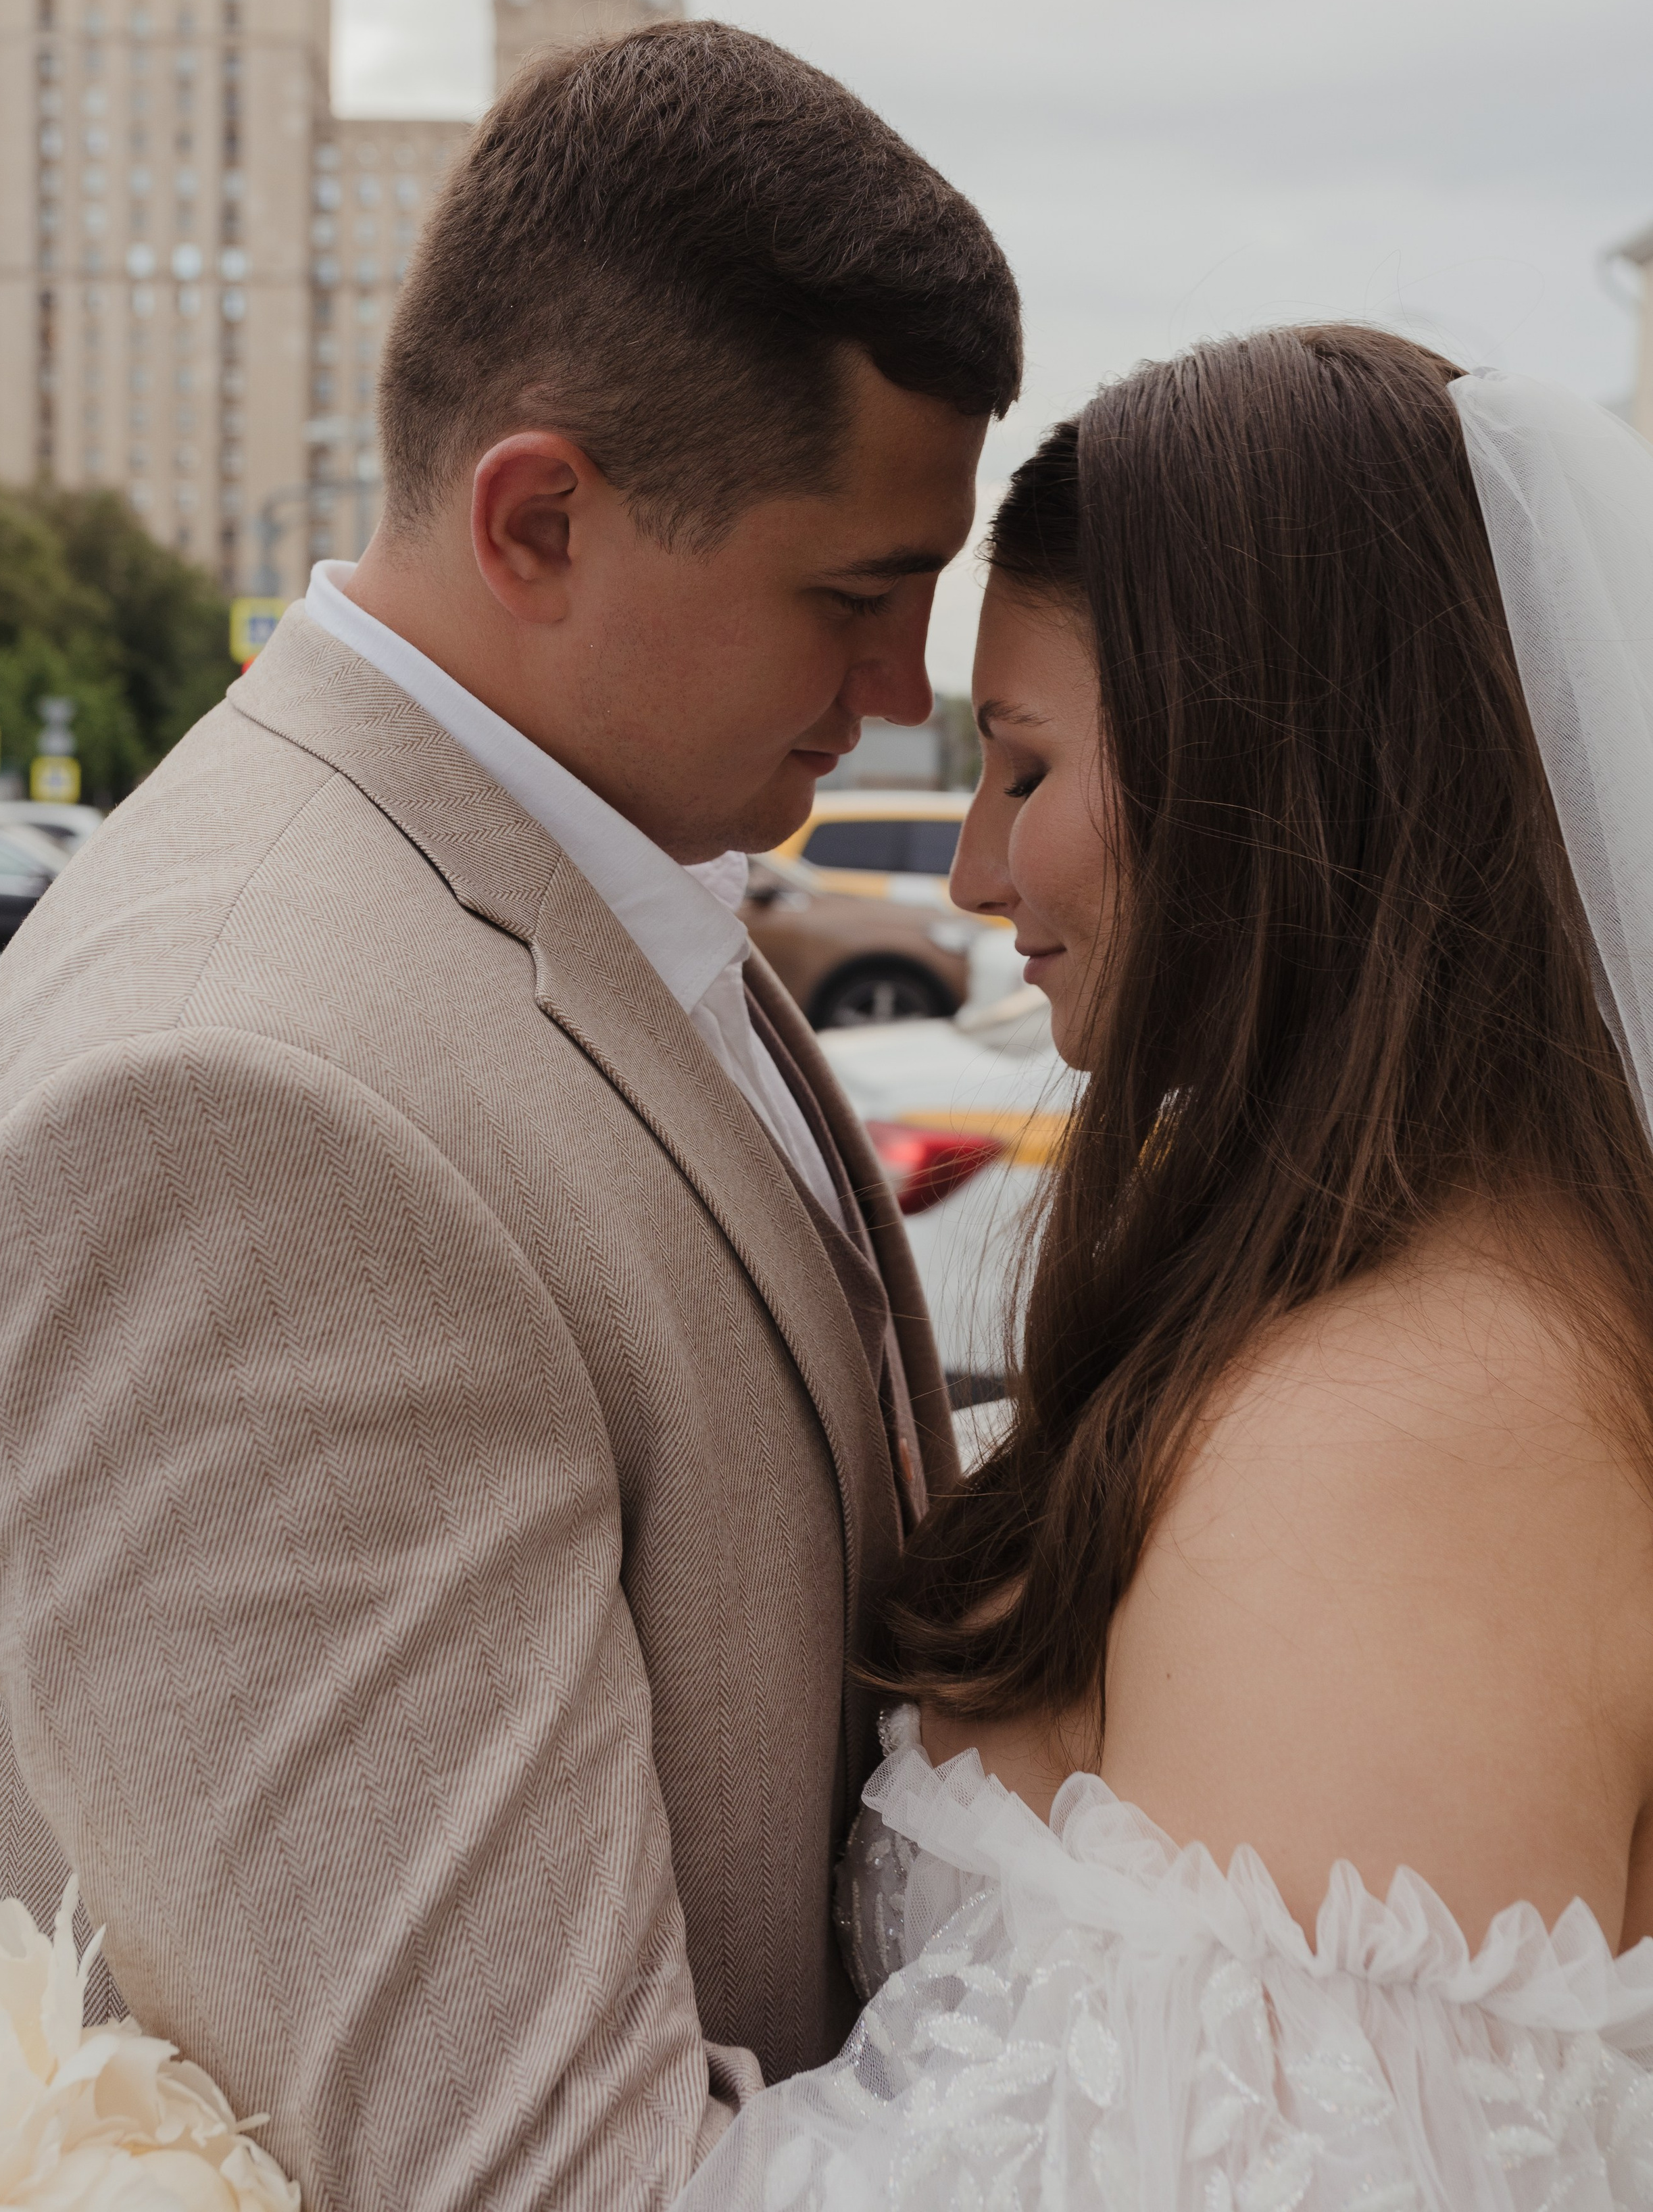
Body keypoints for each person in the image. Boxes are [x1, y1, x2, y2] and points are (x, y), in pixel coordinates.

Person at [0, 21, 1022, 2211]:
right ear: (540, 518)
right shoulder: (239, 1110)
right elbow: (520, 2172)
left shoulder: (578, 870)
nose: (907, 690)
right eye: (851, 596)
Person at [683, 326, 1653, 2208]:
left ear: (1262, 790)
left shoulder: (1396, 1455)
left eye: (1024, 768)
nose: (974, 870)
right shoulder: (1390, 1313)